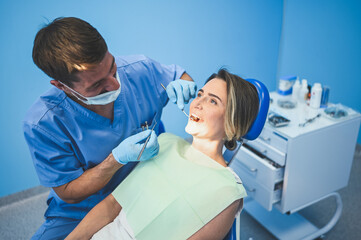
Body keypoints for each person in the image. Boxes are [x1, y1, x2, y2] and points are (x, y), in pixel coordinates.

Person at [23, 17, 197, 240]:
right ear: (61, 86)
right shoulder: (43, 123)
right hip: (81, 211)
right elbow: (68, 192)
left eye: (112, 69)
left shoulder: (139, 70)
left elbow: (180, 76)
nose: (115, 84)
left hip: (147, 187)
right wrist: (116, 160)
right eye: (97, 85)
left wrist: (185, 85)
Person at [65, 69, 260, 240]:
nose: (197, 103)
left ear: (233, 123)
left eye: (212, 101)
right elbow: (112, 206)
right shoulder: (165, 144)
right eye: (200, 94)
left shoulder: (227, 192)